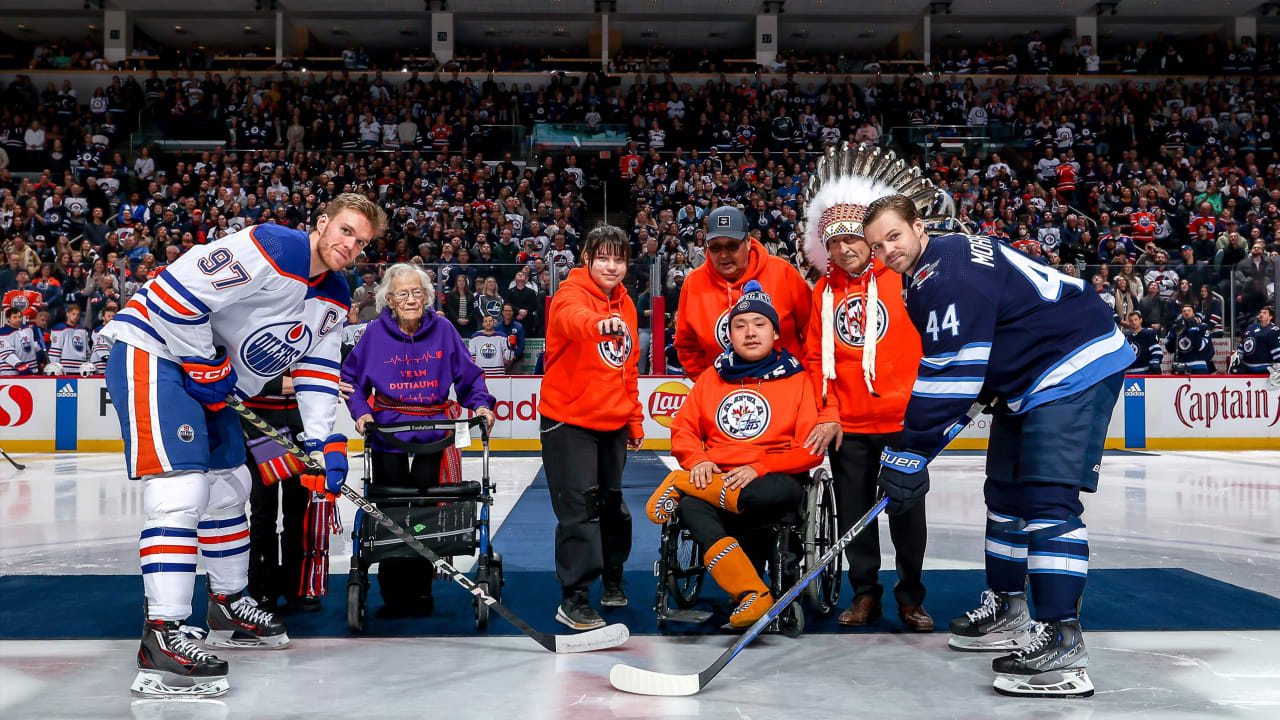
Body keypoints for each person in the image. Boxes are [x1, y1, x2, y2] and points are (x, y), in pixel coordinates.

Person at [100, 193, 384, 698]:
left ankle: (226, 603)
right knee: (181, 491)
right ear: (322, 223)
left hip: (210, 377)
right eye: (345, 231)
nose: (351, 245)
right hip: (156, 351)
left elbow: (317, 368)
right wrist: (203, 360)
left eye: (361, 241)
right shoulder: (273, 245)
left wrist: (324, 442)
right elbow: (174, 294)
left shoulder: (336, 295)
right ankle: (161, 637)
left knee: (230, 487)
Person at [864, 194, 1134, 699]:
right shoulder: (937, 265)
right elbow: (986, 340)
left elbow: (951, 375)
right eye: (878, 246)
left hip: (1073, 363)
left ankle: (1063, 642)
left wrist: (908, 452)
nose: (887, 251)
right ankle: (1009, 607)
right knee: (1005, 496)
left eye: (894, 236)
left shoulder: (947, 276)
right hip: (1027, 376)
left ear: (918, 227)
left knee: (1047, 503)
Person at [799, 167, 933, 632]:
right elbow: (816, 358)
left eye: (851, 239)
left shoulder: (903, 277)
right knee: (854, 516)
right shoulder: (823, 292)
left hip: (903, 421)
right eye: (833, 243)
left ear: (869, 239)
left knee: (907, 514)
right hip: (850, 425)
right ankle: (864, 595)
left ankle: (911, 598)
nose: (843, 249)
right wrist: (829, 412)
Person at [646, 280, 821, 628]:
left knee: (777, 491)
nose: (750, 332)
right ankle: (752, 592)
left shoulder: (799, 380)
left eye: (759, 324)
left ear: (775, 334)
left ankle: (682, 483)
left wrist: (760, 466)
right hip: (716, 476)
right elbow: (683, 429)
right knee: (692, 506)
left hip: (772, 478)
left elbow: (809, 450)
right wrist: (697, 461)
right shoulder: (713, 378)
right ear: (730, 335)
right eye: (740, 326)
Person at [342, 262, 496, 617]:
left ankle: (421, 591)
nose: (410, 299)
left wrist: (482, 406)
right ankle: (394, 594)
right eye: (402, 294)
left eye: (416, 292)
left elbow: (470, 380)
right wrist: (361, 412)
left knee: (426, 511)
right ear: (389, 301)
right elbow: (352, 382)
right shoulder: (374, 334)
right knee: (392, 511)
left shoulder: (443, 330)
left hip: (434, 432)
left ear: (426, 296)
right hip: (388, 433)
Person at [538, 224, 643, 630]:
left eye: (619, 259)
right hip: (569, 422)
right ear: (587, 259)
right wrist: (599, 325)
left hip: (613, 422)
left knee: (613, 508)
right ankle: (575, 596)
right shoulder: (570, 292)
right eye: (603, 257)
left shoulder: (628, 306)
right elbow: (571, 320)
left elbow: (627, 368)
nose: (611, 266)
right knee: (580, 510)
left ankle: (612, 577)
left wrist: (634, 419)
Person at [674, 205, 810, 378]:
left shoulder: (783, 273)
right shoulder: (694, 283)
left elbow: (812, 331)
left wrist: (802, 379)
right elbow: (687, 346)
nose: (723, 255)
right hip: (725, 394)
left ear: (747, 242)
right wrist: (708, 385)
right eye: (715, 247)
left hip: (785, 386)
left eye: (732, 246)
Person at [1231, 306, 1280, 382]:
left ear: (1270, 317)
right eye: (1260, 312)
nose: (1261, 314)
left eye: (1264, 313)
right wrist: (1237, 357)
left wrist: (1278, 368)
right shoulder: (1250, 328)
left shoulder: (1274, 331)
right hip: (1246, 370)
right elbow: (1242, 345)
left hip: (1264, 372)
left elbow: (1277, 353)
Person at [43, 303, 92, 376]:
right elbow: (55, 351)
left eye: (78, 315)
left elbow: (87, 351)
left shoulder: (83, 330)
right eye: (73, 314)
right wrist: (55, 367)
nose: (75, 317)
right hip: (65, 369)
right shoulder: (60, 329)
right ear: (68, 314)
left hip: (81, 369)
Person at [1166, 304, 1214, 375]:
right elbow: (1169, 349)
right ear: (1181, 314)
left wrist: (1192, 330)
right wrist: (1174, 334)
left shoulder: (1202, 327)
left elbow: (1200, 347)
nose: (1186, 312)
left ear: (1193, 314)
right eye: (1184, 311)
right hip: (1180, 367)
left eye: (1189, 311)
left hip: (1199, 367)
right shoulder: (1176, 328)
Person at [0, 307, 39, 375]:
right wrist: (19, 364)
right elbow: (6, 353)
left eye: (20, 317)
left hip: (31, 369)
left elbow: (33, 347)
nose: (18, 319)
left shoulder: (28, 329)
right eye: (15, 317)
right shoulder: (3, 333)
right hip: (10, 372)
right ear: (8, 319)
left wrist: (40, 354)